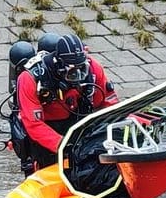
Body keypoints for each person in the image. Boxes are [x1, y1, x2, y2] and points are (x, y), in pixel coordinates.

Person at [10, 33, 119, 176]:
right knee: (41, 166)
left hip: (77, 121)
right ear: (59, 67)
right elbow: (34, 124)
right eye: (73, 73)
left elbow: (109, 106)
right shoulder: (30, 78)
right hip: (44, 128)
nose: (78, 78)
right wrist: (64, 146)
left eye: (82, 71)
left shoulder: (93, 69)